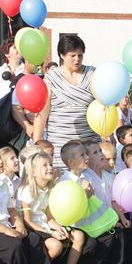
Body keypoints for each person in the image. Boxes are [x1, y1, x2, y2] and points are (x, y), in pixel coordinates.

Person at [61, 141, 124, 264]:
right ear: (70, 162)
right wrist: (84, 195)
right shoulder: (65, 180)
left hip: (87, 222)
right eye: (82, 155)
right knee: (91, 243)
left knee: (112, 234)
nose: (86, 157)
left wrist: (110, 221)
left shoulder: (83, 179)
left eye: (86, 154)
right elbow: (68, 206)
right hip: (72, 224)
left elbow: (94, 206)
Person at [33, 35, 97, 168]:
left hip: (88, 144)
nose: (77, 59)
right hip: (60, 145)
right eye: (72, 55)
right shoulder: (51, 78)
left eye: (80, 55)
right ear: (62, 55)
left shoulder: (92, 74)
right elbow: (42, 114)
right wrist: (37, 145)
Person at [18, 151, 68, 263]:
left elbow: (49, 218)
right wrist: (50, 233)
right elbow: (27, 221)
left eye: (51, 164)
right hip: (30, 229)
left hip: (43, 227)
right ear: (33, 172)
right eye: (44, 165)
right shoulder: (27, 191)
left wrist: (58, 228)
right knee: (56, 246)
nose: (50, 168)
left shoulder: (49, 190)